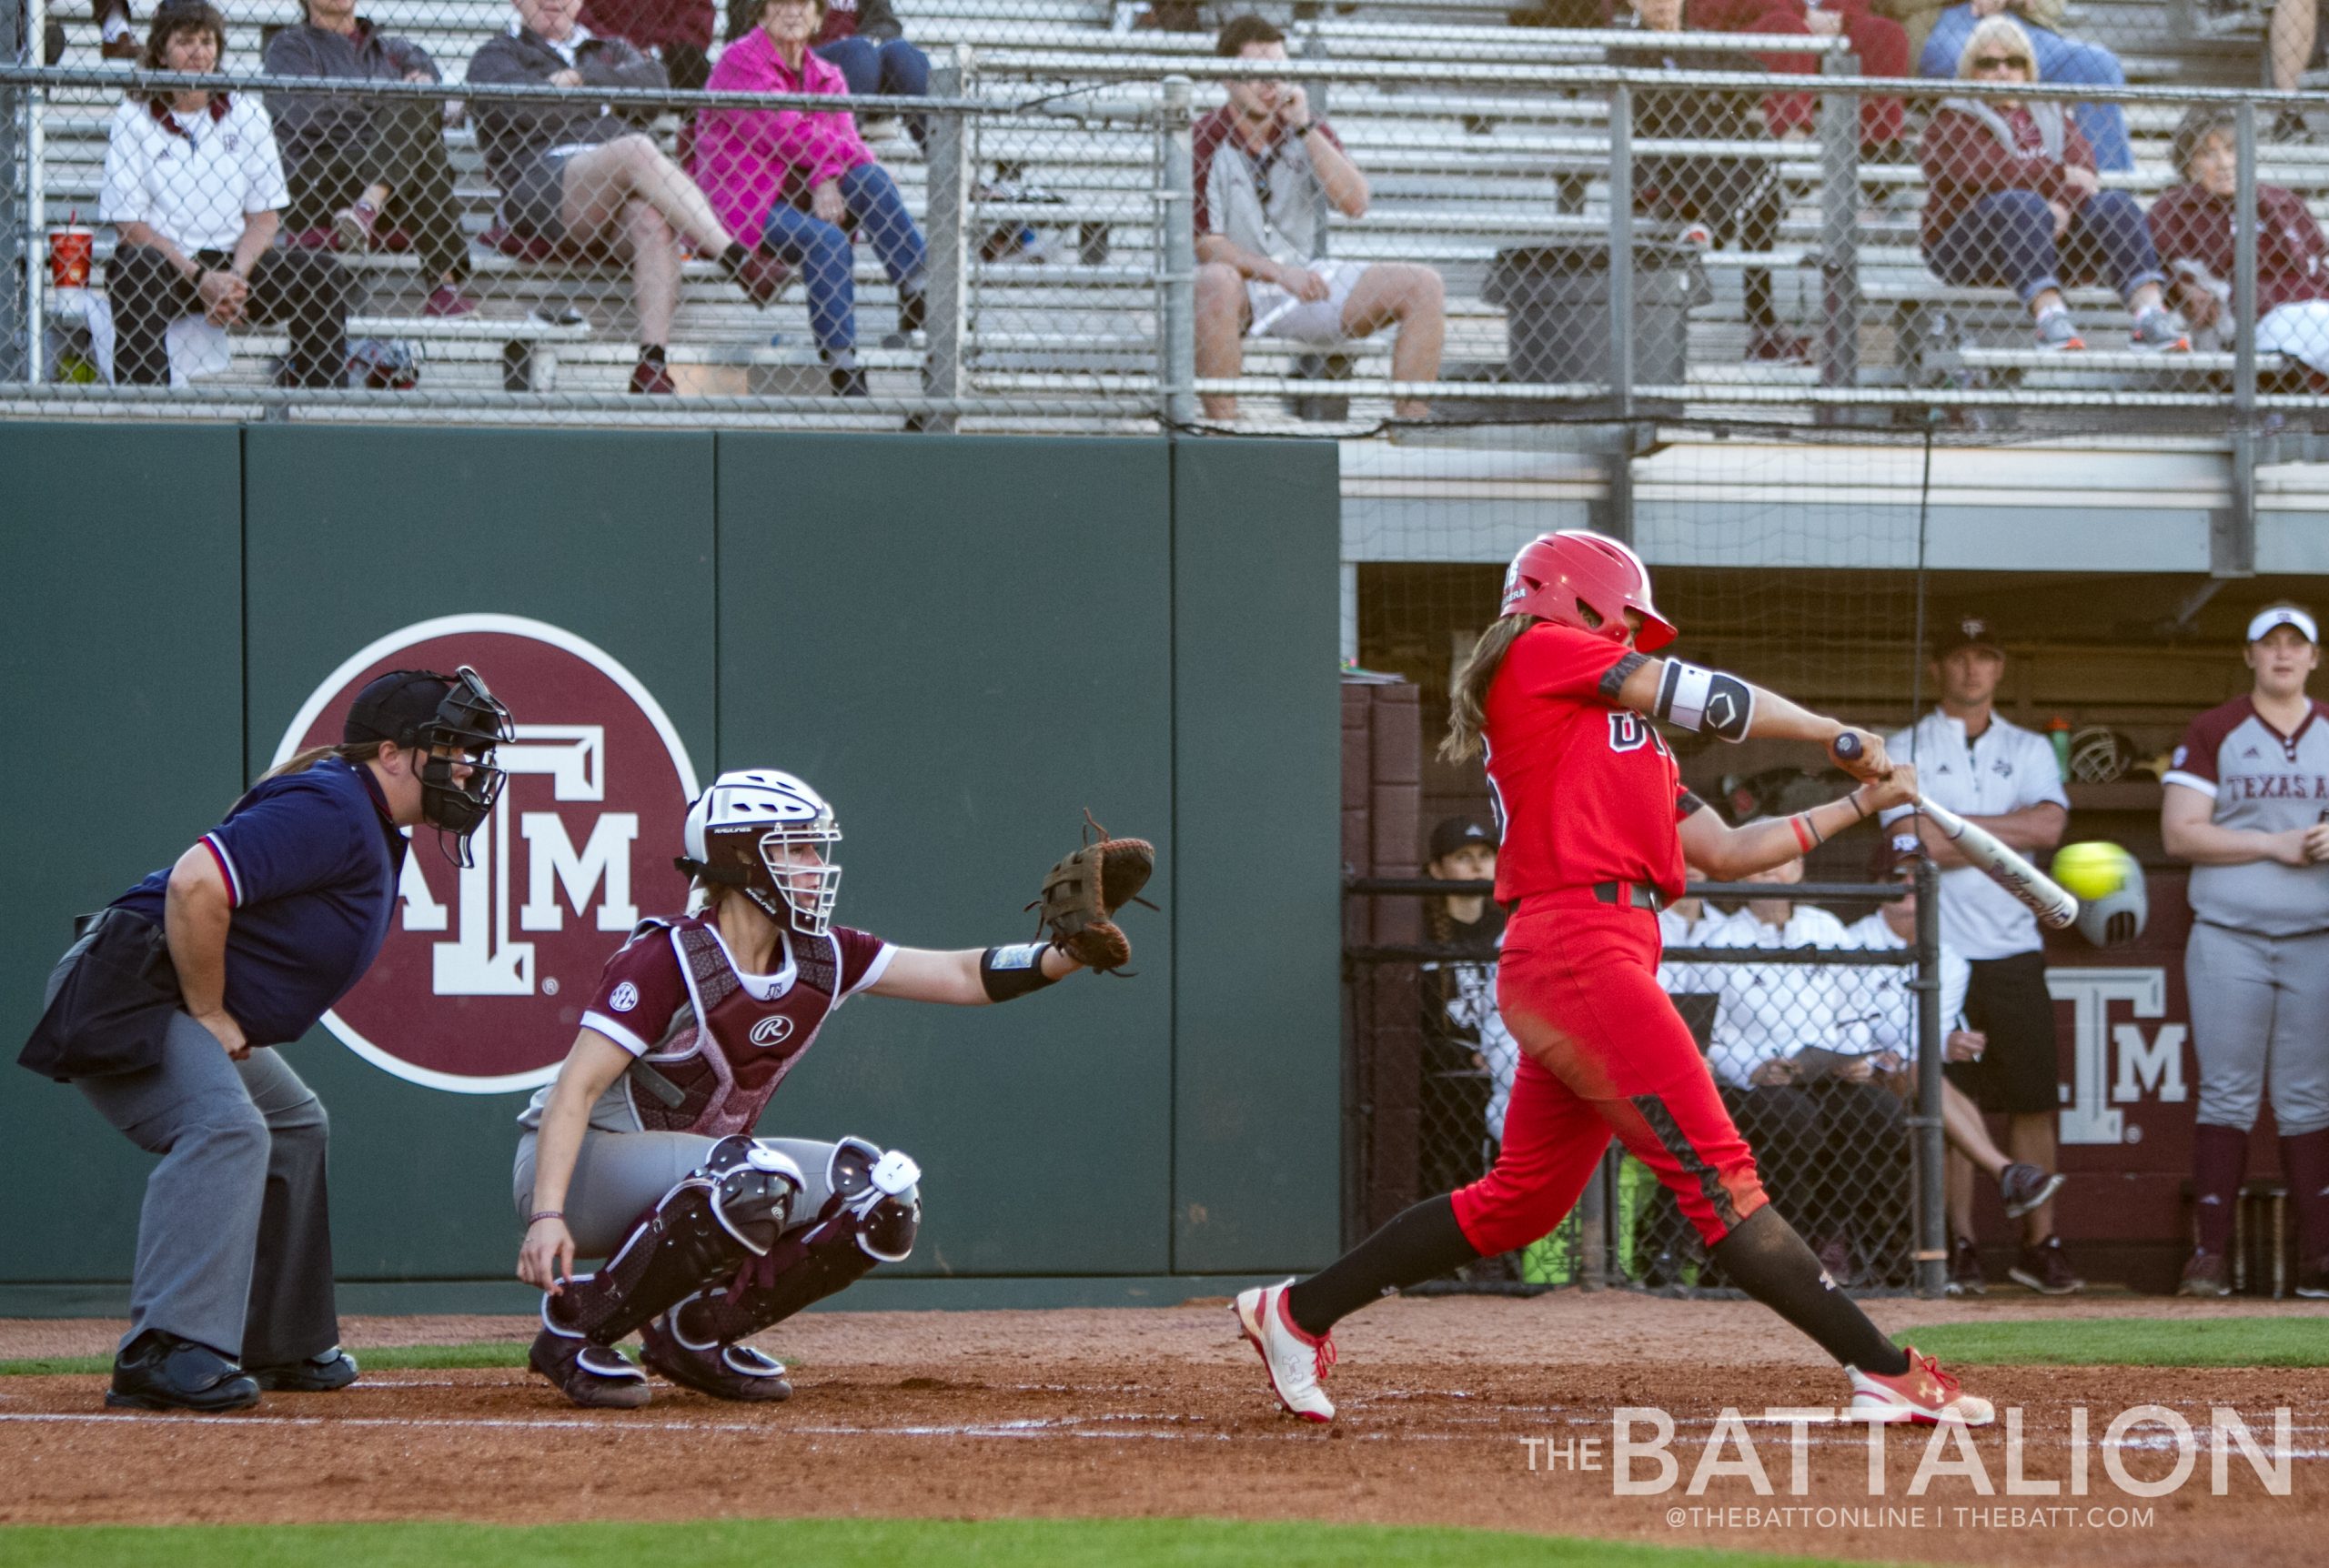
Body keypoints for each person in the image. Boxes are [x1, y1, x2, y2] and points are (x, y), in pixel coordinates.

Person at [1233, 529, 1994, 1428]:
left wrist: (1862, 801)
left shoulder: (1620, 740)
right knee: (1721, 1177)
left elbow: (1727, 851)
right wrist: (1832, 732)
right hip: (1577, 946)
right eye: (1625, 618)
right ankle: (1883, 1366)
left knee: (1518, 1203)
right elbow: (1712, 698)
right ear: (1580, 597)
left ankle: (1296, 1310)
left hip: (1599, 951)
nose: (1632, 636)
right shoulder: (1536, 649)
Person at [515, 770, 1139, 1407]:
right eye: (797, 848)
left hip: (700, 1176)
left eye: (817, 848)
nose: (816, 866)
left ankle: (701, 1333)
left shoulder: (821, 954)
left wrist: (1066, 954)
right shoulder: (668, 958)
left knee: (879, 1193)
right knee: (756, 1177)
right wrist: (546, 1216)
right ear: (741, 856)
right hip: (582, 1165)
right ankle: (578, 1325)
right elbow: (574, 1091)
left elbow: (958, 974)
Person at [17, 669, 512, 1412]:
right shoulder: (334, 804)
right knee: (225, 1128)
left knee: (292, 1122)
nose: (469, 768)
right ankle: (165, 1348)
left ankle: (276, 1338)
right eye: (453, 749)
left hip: (157, 984)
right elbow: (195, 884)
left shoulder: (366, 815)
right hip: (127, 986)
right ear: (391, 753)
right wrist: (211, 1010)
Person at [1882, 609, 2077, 1295]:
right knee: (1949, 1099)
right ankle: (1958, 1244)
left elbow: (2048, 825)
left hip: (2014, 947)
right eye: (1960, 657)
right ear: (1939, 666)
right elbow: (1912, 840)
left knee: (2032, 1100)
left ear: (1999, 667)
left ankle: (2039, 1244)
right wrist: (2002, 840)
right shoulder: (1901, 744)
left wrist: (1954, 831)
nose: (1972, 669)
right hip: (1942, 953)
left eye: (1986, 657)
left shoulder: (2027, 748)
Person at [467, 0, 792, 396]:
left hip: (615, 183)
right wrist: (607, 95)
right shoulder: (498, 55)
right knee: (636, 148)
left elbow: (655, 84)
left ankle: (652, 363)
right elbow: (511, 109)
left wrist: (575, 83)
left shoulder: (608, 47)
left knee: (652, 218)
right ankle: (739, 260)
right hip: (539, 180)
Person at [2160, 604, 2329, 1300]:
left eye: (2297, 644)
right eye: (2270, 644)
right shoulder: (2216, 728)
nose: (2283, 655)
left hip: (2317, 936)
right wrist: (2271, 843)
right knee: (2228, 1091)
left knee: (2308, 1097)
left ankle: (2321, 1259)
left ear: (2313, 659)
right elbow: (2180, 833)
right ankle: (2208, 1257)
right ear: (2249, 655)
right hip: (2230, 933)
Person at [1841, 830, 2065, 1295]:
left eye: (1917, 878)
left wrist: (1945, 1045)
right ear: (1876, 885)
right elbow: (1844, 1027)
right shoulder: (1850, 942)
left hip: (1905, 1074)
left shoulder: (1951, 959)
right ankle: (2006, 1173)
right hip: (1848, 1075)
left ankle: (1963, 1235)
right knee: (1926, 1079)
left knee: (1932, 1084)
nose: (1908, 890)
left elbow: (1925, 1038)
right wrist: (1904, 1051)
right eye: (1896, 878)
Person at [1192, 14, 1445, 422]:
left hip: (1306, 281)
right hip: (1240, 288)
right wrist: (1278, 274)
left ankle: (1411, 425)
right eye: (1255, 73)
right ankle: (1225, 430)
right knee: (1214, 280)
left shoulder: (1304, 127)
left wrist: (1307, 129)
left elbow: (1355, 204)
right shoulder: (1203, 137)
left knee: (1424, 285)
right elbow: (1208, 245)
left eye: (1277, 70)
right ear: (1227, 78)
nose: (1270, 84)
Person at [98, 0, 358, 387]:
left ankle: (317, 410)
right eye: (185, 42)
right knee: (135, 267)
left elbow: (265, 217)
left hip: (237, 267)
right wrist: (200, 277)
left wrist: (233, 278)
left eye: (207, 41)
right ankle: (146, 410)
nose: (199, 53)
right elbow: (128, 225)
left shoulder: (247, 113)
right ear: (161, 54)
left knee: (322, 274)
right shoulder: (133, 118)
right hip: (169, 266)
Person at [694, 0, 928, 398]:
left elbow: (849, 141)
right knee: (827, 239)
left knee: (870, 178)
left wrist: (830, 174)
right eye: (780, 3)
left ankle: (918, 289)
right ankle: (843, 366)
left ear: (819, 18)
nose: (792, 12)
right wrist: (827, 173)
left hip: (799, 189)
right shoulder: (740, 60)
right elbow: (782, 129)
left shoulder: (827, 74)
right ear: (761, 13)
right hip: (748, 201)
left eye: (803, 4)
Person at [1695, 853, 1910, 1286]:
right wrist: (1751, 1068)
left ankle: (1823, 1233)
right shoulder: (1719, 937)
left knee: (1879, 1112)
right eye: (1760, 860)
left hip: (1827, 1072)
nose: (1770, 869)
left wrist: (1856, 1061)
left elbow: (1857, 1010)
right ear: (1740, 871)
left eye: (1782, 861)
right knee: (1794, 1120)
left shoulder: (1825, 928)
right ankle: (1777, 1243)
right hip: (1755, 1083)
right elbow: (1703, 1033)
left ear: (1799, 871)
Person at [1917, 16, 2183, 355]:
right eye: (1988, 63)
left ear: (2028, 70)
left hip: (2045, 239)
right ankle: (2050, 320)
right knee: (2020, 204)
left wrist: (2062, 205)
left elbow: (2084, 168)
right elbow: (1982, 171)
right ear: (1972, 71)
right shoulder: (1952, 116)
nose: (2003, 72)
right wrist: (2056, 178)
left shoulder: (2050, 109)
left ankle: (2150, 316)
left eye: (2014, 62)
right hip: (1965, 247)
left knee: (2116, 204)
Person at [1616, 0, 1803, 364]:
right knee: (1762, 180)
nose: (1662, 5)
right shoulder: (1628, 47)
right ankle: (1762, 327)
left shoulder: (1698, 42)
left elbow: (1753, 78)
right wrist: (1710, 98)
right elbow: (1651, 109)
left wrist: (1717, 98)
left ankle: (1713, 226)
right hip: (1668, 163)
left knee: (1761, 182)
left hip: (1718, 164)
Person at [263, 0, 476, 318]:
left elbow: (441, 106)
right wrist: (390, 112)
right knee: (416, 129)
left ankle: (368, 205)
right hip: (321, 180)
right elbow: (309, 116)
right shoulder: (290, 47)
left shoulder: (398, 49)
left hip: (391, 193)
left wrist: (379, 107)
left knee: (417, 109)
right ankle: (443, 285)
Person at [2149, 106, 2329, 383]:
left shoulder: (2282, 201)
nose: (2224, 163)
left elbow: (2320, 261)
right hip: (2249, 319)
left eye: (2232, 149)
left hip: (2313, 307)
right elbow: (2154, 269)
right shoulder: (2173, 210)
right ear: (2188, 164)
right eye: (2208, 154)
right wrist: (2180, 287)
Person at [1902, 0, 2132, 173]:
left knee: (2099, 66)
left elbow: (2054, 5)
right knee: (1975, 63)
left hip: (2020, 23)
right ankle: (1993, 186)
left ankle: (2110, 201)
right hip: (1947, 22)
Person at [1689, 0, 1911, 154]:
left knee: (1886, 33)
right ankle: (1793, 142)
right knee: (1787, 27)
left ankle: (1879, 145)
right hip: (1751, 38)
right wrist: (1802, 14)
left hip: (1827, 35)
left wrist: (1837, 18)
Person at [1417, 817, 1507, 1197]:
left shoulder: (1509, 927)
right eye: (1463, 856)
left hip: (1504, 1067)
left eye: (1486, 855)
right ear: (1437, 870)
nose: (1476, 866)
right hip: (1446, 1078)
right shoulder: (1419, 930)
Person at [583, 0, 715, 91]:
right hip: (608, 52)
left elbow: (695, 19)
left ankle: (675, 121)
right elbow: (582, 14)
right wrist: (628, 48)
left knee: (690, 59)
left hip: (664, 53)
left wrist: (656, 47)